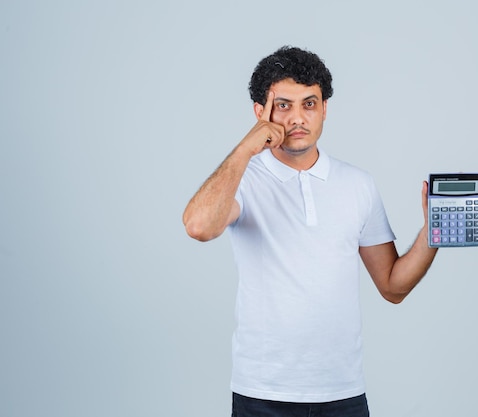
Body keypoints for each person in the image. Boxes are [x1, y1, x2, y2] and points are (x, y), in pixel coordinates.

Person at [183, 46, 438, 417]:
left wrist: (432, 233)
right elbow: (199, 226)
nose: (298, 118)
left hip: (342, 393)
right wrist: (246, 147)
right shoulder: (242, 181)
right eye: (283, 105)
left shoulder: (357, 184)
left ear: (324, 109)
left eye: (310, 104)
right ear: (260, 113)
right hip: (262, 394)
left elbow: (393, 287)